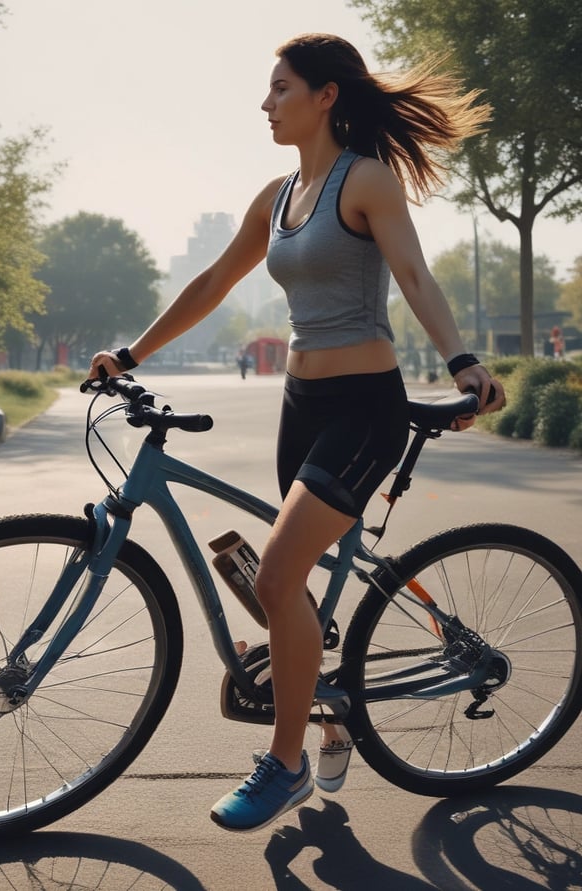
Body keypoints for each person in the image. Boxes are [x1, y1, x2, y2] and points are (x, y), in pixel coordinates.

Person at [90, 33, 506, 833]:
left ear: (325, 97)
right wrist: (132, 351)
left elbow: (414, 273)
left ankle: (286, 768)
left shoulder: (368, 180)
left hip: (363, 407)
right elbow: (214, 281)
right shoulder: (277, 194)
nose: (265, 103)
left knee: (275, 576)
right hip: (301, 403)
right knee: (283, 583)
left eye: (280, 88)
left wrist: (462, 362)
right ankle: (330, 708)